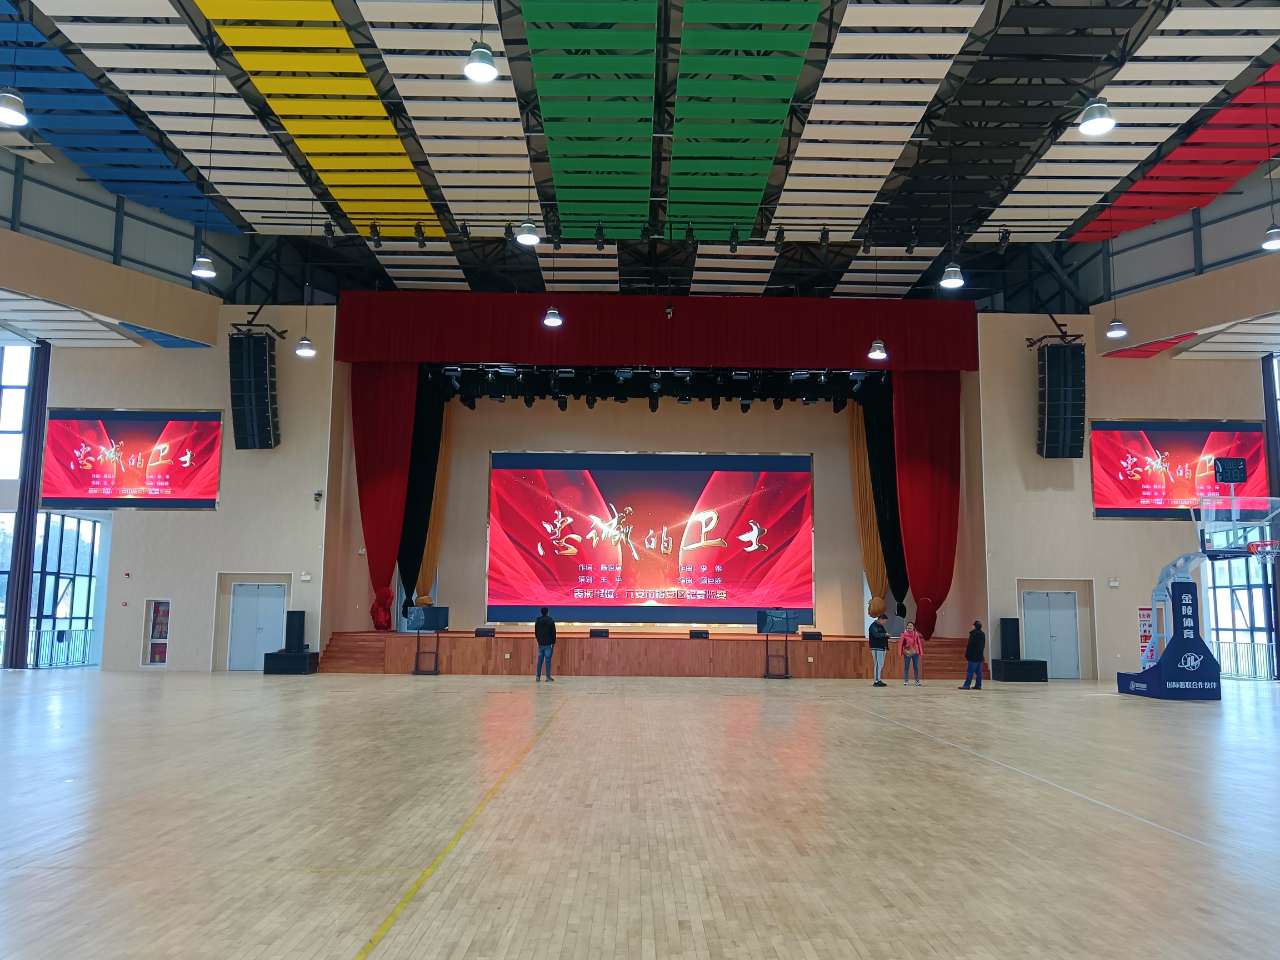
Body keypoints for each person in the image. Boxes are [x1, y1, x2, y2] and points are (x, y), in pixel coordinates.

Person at [961, 620, 985, 690]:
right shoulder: (982, 634)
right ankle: (978, 685)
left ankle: (966, 685)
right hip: (980, 656)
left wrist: (967, 654)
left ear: (974, 626)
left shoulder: (973, 634)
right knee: (979, 672)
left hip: (973, 656)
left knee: (970, 672)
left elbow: (970, 646)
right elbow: (982, 645)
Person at [534, 607, 556, 682]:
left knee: (540, 660)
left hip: (540, 643)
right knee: (548, 661)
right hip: (548, 643)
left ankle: (538, 677)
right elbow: (553, 633)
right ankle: (548, 677)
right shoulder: (551, 620)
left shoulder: (538, 620)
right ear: (547, 612)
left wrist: (538, 640)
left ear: (541, 612)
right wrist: (553, 642)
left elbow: (536, 632)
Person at [868, 613, 889, 687]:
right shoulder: (873, 626)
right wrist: (885, 635)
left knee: (880, 664)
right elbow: (876, 635)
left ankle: (879, 679)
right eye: (884, 621)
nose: (884, 623)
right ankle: (876, 681)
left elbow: (883, 634)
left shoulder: (880, 626)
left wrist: (886, 635)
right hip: (876, 647)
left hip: (882, 647)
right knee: (877, 664)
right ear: (880, 619)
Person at [901, 620, 924, 686]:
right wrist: (904, 651)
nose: (909, 627)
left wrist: (920, 652)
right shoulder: (903, 634)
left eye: (911, 626)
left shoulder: (916, 634)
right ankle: (906, 681)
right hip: (907, 652)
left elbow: (919, 643)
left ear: (913, 627)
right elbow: (901, 644)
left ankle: (917, 681)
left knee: (916, 667)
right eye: (908, 625)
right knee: (906, 667)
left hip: (915, 652)